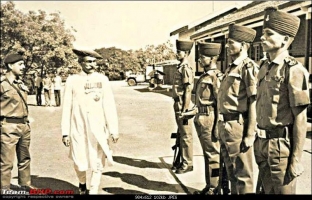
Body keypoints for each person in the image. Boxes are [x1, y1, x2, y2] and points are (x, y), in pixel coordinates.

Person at [255, 7, 310, 194]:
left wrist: (295, 160)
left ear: (285, 40)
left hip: (281, 147)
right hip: (261, 143)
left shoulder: (293, 70)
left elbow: (300, 120)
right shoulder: (263, 67)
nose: (262, 38)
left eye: (269, 34)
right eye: (263, 33)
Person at [61, 49, 119, 195]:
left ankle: (93, 189)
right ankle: (82, 183)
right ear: (80, 63)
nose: (92, 65)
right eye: (88, 62)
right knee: (79, 159)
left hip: (98, 128)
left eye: (94, 62)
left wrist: (113, 130)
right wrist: (65, 132)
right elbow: (67, 107)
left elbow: (109, 105)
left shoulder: (102, 80)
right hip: (78, 127)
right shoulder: (72, 80)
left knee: (98, 160)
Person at [217, 23, 259, 194]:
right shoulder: (231, 68)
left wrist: (250, 134)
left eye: (231, 42)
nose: (227, 46)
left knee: (243, 175)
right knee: (231, 173)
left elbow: (253, 101)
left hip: (238, 126)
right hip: (225, 125)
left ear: (244, 45)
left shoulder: (248, 67)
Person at [0, 52, 37, 193]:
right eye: (20, 64)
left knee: (25, 157)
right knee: (6, 161)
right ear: (10, 66)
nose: (23, 67)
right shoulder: (2, 85)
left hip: (24, 126)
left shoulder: (20, 84)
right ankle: (4, 188)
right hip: (8, 126)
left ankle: (25, 184)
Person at [193, 42, 223, 195]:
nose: (199, 60)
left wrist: (217, 127)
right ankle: (209, 185)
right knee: (207, 154)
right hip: (201, 117)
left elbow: (219, 103)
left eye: (203, 57)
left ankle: (214, 188)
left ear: (212, 58)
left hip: (210, 118)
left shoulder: (216, 77)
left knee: (213, 155)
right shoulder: (204, 76)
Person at [171, 39, 195, 174]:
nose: (176, 53)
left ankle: (188, 163)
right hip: (177, 102)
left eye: (179, 51)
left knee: (186, 135)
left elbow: (188, 90)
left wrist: (185, 110)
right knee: (181, 134)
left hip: (182, 104)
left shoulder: (186, 68)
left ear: (186, 53)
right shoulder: (180, 67)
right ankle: (182, 160)